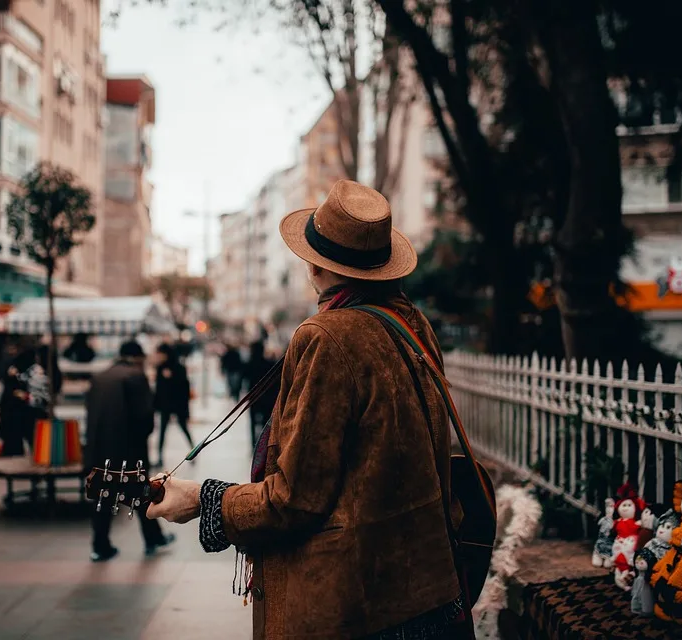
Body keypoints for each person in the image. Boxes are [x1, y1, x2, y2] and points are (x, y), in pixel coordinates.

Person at [146, 180, 471, 638]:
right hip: (431, 590)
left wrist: (204, 499)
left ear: (314, 267)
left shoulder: (325, 336)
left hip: (362, 606)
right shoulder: (412, 326)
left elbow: (297, 499)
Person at [85, 341, 175, 561]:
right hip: (129, 450)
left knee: (102, 495)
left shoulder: (99, 377)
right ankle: (153, 537)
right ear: (137, 358)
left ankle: (100, 545)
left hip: (99, 448)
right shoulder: (135, 376)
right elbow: (145, 418)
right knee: (141, 494)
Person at [153, 343, 194, 468]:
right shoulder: (160, 368)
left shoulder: (178, 367)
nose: (158, 356)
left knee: (184, 428)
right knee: (162, 432)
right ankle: (159, 457)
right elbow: (159, 389)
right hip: (165, 405)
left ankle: (194, 451)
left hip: (177, 405)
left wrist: (171, 378)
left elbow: (184, 387)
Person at [0, 346, 37, 456]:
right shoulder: (16, 368)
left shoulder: (15, 367)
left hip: (14, 411)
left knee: (15, 442)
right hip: (15, 410)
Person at [243, 339, 277, 450]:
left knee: (253, 422)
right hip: (267, 397)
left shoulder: (249, 364)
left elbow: (244, 378)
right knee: (265, 422)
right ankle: (263, 443)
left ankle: (254, 444)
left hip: (254, 398)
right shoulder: (269, 364)